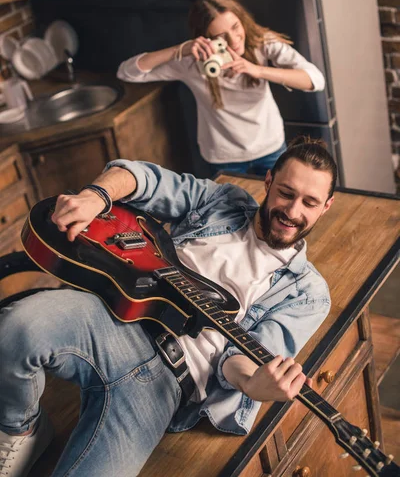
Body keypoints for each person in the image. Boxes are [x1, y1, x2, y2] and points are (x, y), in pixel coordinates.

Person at [0, 137, 336, 477]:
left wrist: (252, 384)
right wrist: (95, 197)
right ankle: (23, 430)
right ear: (268, 181)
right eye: (286, 193)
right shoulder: (224, 200)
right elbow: (143, 178)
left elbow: (239, 358)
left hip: (164, 383)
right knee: (16, 329)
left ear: (326, 207)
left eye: (310, 203)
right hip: (112, 319)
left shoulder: (308, 294)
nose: (293, 212)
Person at [117, 0, 326, 176]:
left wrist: (257, 70)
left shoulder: (262, 44)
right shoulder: (191, 63)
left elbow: (315, 80)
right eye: (221, 37)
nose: (235, 40)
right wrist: (180, 50)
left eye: (236, 27)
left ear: (242, 20)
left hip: (270, 148)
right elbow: (127, 73)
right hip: (224, 158)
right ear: (206, 39)